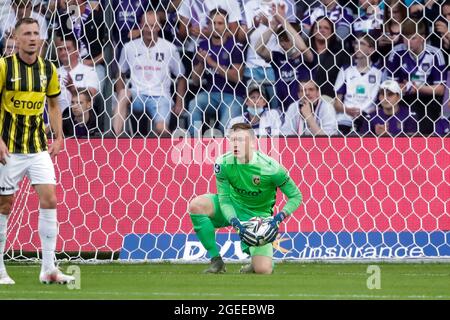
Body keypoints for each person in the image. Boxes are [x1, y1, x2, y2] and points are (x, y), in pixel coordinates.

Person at [0, 18, 75, 285]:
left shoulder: (48, 69)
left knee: (50, 199)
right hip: (9, 149)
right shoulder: (3, 67)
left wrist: (58, 135)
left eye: (36, 33)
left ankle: (48, 268)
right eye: (27, 34)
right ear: (16, 39)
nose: (32, 38)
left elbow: (54, 105)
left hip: (37, 147)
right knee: (4, 206)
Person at [188, 122, 302, 274]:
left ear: (253, 143)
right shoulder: (223, 163)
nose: (236, 144)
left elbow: (296, 196)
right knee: (197, 205)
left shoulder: (271, 168)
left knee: (263, 270)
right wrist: (235, 222)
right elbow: (224, 199)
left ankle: (254, 264)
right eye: (232, 140)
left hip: (258, 217)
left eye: (241, 140)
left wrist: (278, 219)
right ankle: (216, 260)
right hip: (232, 206)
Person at [113, 10, 186, 137]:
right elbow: (120, 73)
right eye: (146, 25)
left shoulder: (169, 48)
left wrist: (179, 103)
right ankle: (115, 138)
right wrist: (121, 94)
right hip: (137, 95)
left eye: (153, 26)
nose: (149, 30)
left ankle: (168, 152)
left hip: (160, 97)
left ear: (159, 27)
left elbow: (181, 76)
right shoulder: (129, 47)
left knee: (161, 129)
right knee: (123, 94)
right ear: (140, 26)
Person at [188, 8, 245, 136]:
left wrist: (211, 62)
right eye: (213, 23)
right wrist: (202, 62)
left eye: (220, 23)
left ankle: (222, 152)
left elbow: (237, 77)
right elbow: (195, 81)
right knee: (194, 104)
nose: (216, 26)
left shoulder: (236, 46)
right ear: (208, 25)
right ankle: (194, 142)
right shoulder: (202, 46)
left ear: (227, 25)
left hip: (233, 96)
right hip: (210, 94)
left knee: (224, 127)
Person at [386, 18, 446, 135]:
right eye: (405, 38)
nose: (408, 42)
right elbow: (390, 86)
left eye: (413, 38)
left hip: (428, 100)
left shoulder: (435, 54)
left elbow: (441, 89)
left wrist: (418, 89)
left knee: (423, 129)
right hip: (403, 99)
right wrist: (400, 87)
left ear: (423, 37)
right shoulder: (396, 53)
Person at [256, 2, 313, 111]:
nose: (282, 44)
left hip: (304, 109)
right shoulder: (278, 58)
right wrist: (272, 27)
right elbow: (259, 49)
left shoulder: (306, 58)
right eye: (280, 40)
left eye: (286, 39)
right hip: (283, 110)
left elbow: (302, 48)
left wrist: (283, 20)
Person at [334, 34, 382, 135]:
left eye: (362, 44)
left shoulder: (379, 73)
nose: (357, 46)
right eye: (356, 43)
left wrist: (366, 113)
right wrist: (347, 110)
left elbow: (382, 102)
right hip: (345, 118)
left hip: (368, 119)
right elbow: (336, 103)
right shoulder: (346, 70)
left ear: (371, 49)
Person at [55, 34, 100, 113]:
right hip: (57, 118)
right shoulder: (54, 72)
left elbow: (90, 97)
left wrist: (72, 89)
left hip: (80, 119)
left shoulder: (89, 72)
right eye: (60, 49)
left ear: (77, 51)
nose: (63, 52)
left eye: (67, 49)